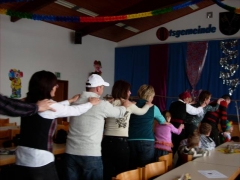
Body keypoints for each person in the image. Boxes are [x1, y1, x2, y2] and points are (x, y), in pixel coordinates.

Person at [14, 70, 100, 180]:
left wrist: (70, 100)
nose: (57, 86)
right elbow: (76, 110)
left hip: (21, 157)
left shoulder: (27, 102)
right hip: (40, 160)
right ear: (48, 87)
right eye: (55, 84)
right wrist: (90, 103)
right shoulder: (48, 105)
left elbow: (54, 107)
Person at [65, 74, 131, 180]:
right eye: (102, 87)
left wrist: (107, 103)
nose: (103, 90)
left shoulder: (75, 101)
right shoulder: (102, 104)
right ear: (97, 88)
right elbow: (119, 113)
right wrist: (125, 106)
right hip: (90, 153)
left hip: (70, 152)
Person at [102, 80, 153, 180]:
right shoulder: (128, 105)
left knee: (107, 171)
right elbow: (142, 112)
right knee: (122, 173)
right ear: (123, 91)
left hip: (106, 142)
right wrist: (148, 105)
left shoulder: (108, 103)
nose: (130, 92)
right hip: (120, 143)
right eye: (128, 90)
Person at [128, 84, 167, 169]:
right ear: (150, 96)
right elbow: (163, 122)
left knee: (132, 169)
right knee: (146, 169)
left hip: (131, 139)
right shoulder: (153, 108)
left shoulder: (131, 105)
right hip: (147, 140)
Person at [169, 91, 206, 155]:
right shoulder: (185, 105)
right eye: (188, 99)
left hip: (171, 126)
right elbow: (195, 111)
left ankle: (169, 158)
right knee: (179, 144)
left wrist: (189, 104)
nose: (189, 101)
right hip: (179, 127)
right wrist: (202, 106)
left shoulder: (172, 104)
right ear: (185, 98)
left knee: (171, 143)